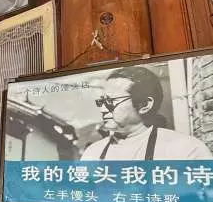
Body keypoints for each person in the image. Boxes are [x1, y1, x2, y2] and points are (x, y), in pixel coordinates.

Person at [81, 66, 213, 160]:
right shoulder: (93, 154)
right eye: (101, 101)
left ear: (144, 105)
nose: (103, 109)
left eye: (111, 101)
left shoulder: (186, 150)